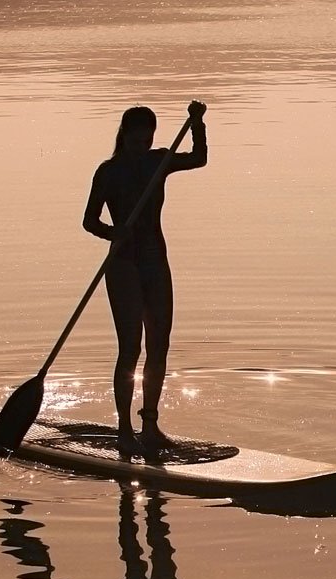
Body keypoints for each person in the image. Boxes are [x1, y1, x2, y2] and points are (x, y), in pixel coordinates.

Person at [83, 100, 208, 454]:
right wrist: (113, 232)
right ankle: (124, 431)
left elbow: (199, 158)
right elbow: (89, 221)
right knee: (130, 348)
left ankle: (149, 426)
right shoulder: (108, 172)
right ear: (124, 136)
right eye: (136, 141)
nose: (142, 148)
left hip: (156, 261)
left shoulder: (158, 162)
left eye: (147, 141)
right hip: (123, 263)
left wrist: (197, 123)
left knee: (159, 345)